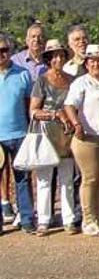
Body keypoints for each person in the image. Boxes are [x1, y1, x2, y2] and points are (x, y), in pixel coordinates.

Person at [30, 39, 78, 235]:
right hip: (45, 133)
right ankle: (43, 219)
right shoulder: (41, 80)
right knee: (44, 179)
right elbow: (33, 110)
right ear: (49, 59)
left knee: (67, 179)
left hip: (66, 134)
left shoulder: (72, 80)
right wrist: (54, 114)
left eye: (61, 55)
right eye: (54, 56)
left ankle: (69, 219)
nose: (58, 59)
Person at [64, 44, 99, 236]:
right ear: (86, 63)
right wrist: (76, 123)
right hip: (86, 137)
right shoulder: (81, 83)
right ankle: (88, 219)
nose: (96, 64)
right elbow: (69, 105)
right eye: (92, 60)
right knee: (90, 178)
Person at [0, 34, 36, 234]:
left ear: (10, 51)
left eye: (4, 50)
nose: (1, 55)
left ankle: (27, 218)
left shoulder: (22, 74)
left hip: (20, 134)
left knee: (23, 179)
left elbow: (28, 105)